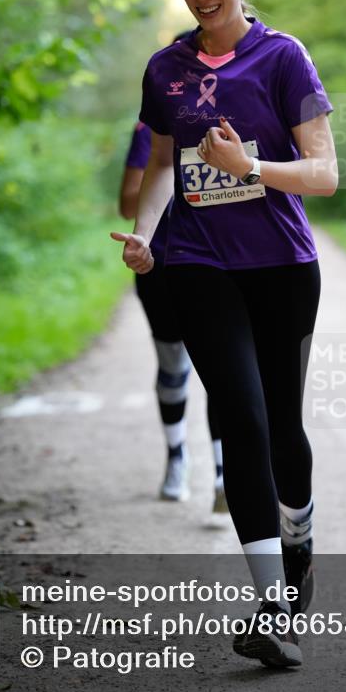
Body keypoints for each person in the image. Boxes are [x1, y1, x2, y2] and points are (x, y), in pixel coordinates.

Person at [111, 0, 337, 669]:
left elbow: (323, 175)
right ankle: (272, 604)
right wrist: (146, 235)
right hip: (197, 264)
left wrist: (251, 165)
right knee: (237, 416)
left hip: (279, 264)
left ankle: (298, 541)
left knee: (279, 423)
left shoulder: (283, 57)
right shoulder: (165, 68)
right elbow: (163, 165)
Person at [119, 95, 226, 510]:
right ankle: (177, 456)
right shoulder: (151, 128)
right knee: (173, 366)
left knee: (222, 365)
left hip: (221, 262)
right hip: (161, 264)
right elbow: (128, 204)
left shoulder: (238, 119)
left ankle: (221, 474)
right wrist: (173, 176)